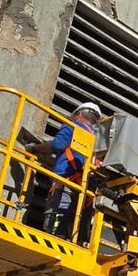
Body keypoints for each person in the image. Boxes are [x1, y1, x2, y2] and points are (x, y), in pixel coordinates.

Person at [30, 101, 102, 238]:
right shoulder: (98, 141)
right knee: (78, 231)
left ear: (79, 114)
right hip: (86, 191)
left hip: (65, 185)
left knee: (55, 229)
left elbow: (58, 145)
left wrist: (36, 148)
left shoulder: (73, 126)